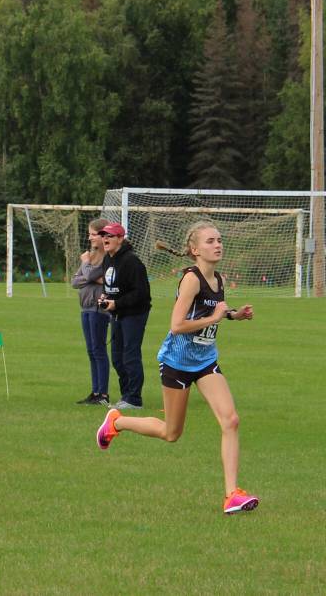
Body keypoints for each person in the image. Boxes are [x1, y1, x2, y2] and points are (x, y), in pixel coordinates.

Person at [96, 221, 259, 514]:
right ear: (195, 249)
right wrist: (215, 319)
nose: (218, 244)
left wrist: (235, 316)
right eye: (210, 241)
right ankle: (116, 422)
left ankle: (232, 494)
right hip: (177, 363)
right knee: (171, 433)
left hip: (206, 361)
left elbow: (212, 309)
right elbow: (177, 324)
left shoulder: (218, 279)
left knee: (231, 420)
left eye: (219, 240)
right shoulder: (190, 279)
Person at [96, 222, 151, 410]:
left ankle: (134, 399)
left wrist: (117, 303)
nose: (105, 239)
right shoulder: (107, 259)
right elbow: (109, 285)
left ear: (120, 238)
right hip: (117, 313)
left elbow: (142, 293)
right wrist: (105, 297)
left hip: (134, 314)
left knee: (130, 355)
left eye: (110, 236)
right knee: (117, 357)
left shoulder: (132, 261)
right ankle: (126, 395)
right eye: (103, 236)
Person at [71, 218, 111, 406]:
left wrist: (86, 266)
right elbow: (75, 281)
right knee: (91, 350)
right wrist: (91, 276)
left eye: (93, 234)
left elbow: (87, 275)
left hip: (99, 309)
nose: (90, 238)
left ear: (103, 235)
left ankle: (102, 394)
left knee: (98, 350)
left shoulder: (106, 257)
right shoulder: (92, 257)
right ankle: (95, 391)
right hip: (86, 308)